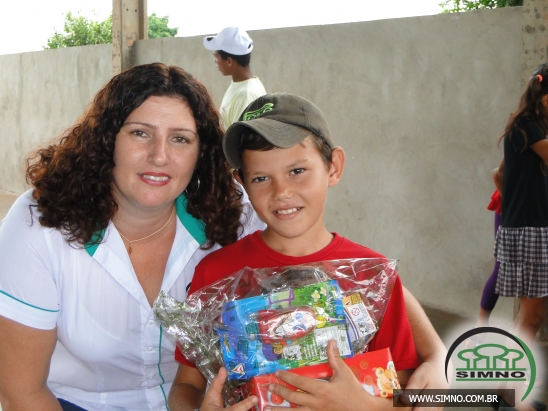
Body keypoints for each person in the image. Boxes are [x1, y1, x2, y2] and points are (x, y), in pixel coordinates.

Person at [0, 63, 264, 411]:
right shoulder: (41, 222)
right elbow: (21, 392)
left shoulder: (233, 212)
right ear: (107, 139)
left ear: (201, 153)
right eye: (140, 133)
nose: (159, 156)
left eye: (180, 139)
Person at [168, 93, 447, 411]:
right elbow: (187, 384)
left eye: (297, 171)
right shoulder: (216, 271)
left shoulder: (372, 273)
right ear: (242, 182)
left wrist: (366, 407)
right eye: (261, 178)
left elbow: (407, 389)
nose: (282, 192)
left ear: (333, 167)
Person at [492, 62, 548, 411]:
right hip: (531, 231)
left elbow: (498, 174)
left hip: (525, 227)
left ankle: (505, 389)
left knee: (528, 316)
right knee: (531, 317)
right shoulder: (528, 125)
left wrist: (516, 205)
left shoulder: (526, 125)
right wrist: (522, 211)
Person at [203, 26, 266, 130]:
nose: (215, 61)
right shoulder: (241, 85)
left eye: (216, 56)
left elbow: (238, 137)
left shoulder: (245, 95)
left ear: (229, 61)